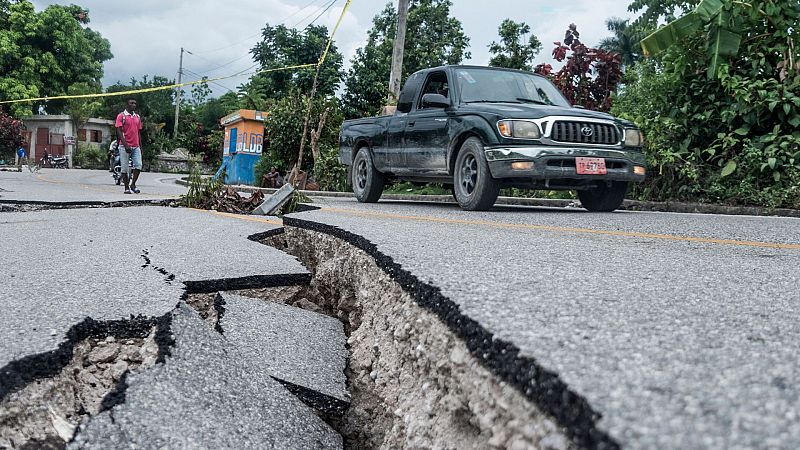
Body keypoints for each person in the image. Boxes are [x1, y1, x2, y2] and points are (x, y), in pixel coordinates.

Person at [115, 98, 143, 194]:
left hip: (136, 146)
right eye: (131, 103)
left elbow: (138, 132)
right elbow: (118, 131)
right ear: (127, 104)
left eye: (135, 103)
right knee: (124, 168)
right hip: (124, 146)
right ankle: (126, 188)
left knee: (138, 165)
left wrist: (140, 146)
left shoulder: (137, 117)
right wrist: (126, 144)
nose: (133, 105)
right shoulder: (121, 116)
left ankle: (133, 184)